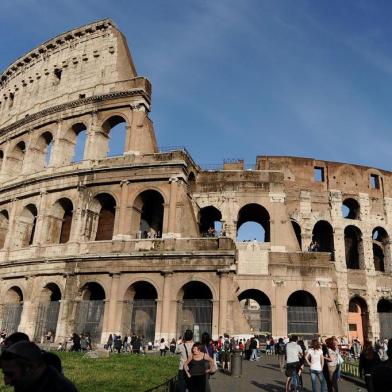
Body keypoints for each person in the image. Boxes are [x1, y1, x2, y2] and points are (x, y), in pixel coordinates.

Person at [0, 341, 78, 391]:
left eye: (10, 374)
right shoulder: (29, 383)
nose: (6, 381)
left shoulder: (60, 388)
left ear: (30, 367)